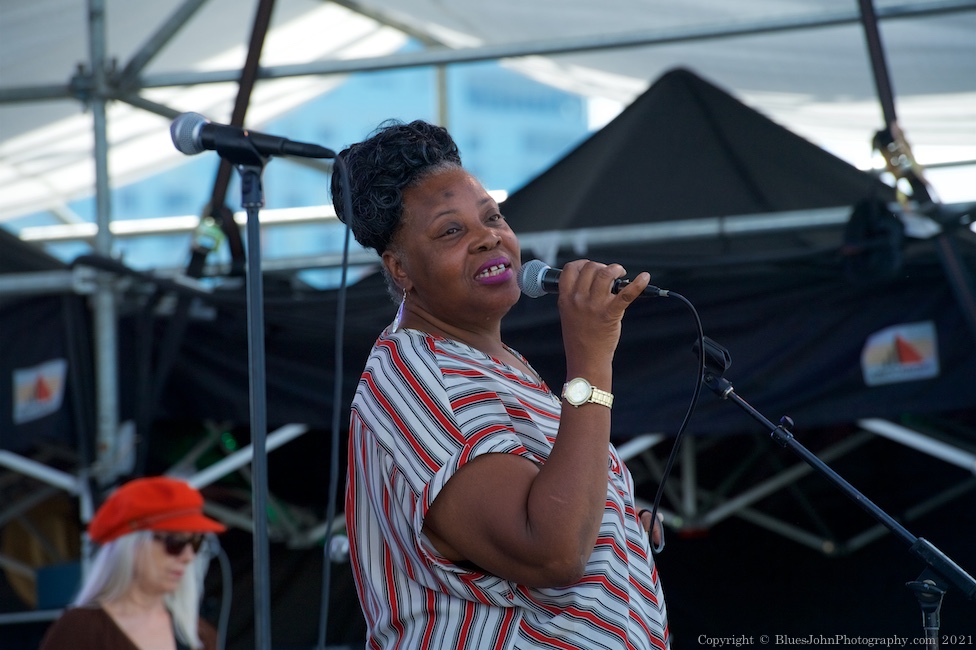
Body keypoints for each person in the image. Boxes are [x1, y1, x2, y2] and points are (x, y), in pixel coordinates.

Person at [334, 119, 670, 649]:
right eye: (451, 231)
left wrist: (617, 525)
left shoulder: (496, 365)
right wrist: (589, 360)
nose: (488, 237)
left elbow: (558, 514)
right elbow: (552, 550)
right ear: (400, 269)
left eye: (493, 217)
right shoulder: (420, 379)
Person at [39, 476, 226, 650]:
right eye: (174, 542)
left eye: (195, 542)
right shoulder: (80, 630)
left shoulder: (199, 635)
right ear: (131, 546)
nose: (188, 556)